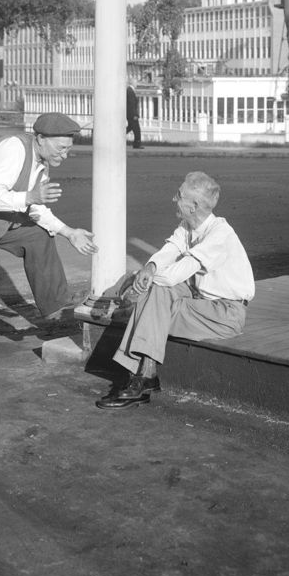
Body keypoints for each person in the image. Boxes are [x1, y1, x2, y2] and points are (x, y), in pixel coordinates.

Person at [0, 112, 98, 391]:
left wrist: (69, 232)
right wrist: (29, 197)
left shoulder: (41, 163)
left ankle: (56, 306)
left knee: (38, 235)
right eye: (61, 148)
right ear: (40, 139)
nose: (65, 154)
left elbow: (35, 210)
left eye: (69, 149)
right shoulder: (14, 149)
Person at [95, 171, 254, 409]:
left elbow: (177, 274)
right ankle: (145, 376)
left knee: (153, 302)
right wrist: (149, 267)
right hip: (201, 302)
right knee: (156, 294)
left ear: (194, 206)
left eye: (179, 195)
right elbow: (170, 249)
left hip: (225, 313)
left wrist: (139, 276)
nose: (173, 199)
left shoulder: (220, 234)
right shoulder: (189, 225)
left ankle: (142, 377)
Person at [126, 82, 143, 150]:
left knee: (130, 127)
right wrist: (135, 114)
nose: (137, 84)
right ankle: (137, 144)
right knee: (137, 129)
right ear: (133, 83)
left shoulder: (129, 90)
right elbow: (131, 104)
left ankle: (117, 137)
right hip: (132, 114)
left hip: (130, 114)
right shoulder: (130, 91)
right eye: (136, 83)